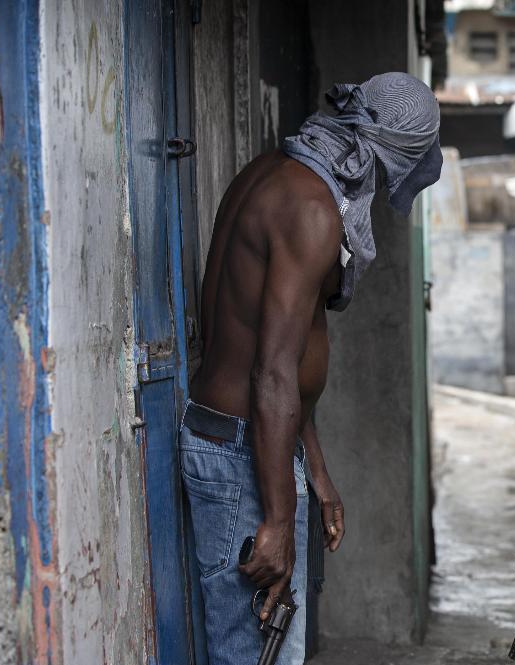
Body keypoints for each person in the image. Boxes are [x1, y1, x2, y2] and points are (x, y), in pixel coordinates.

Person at [181, 72, 442, 665]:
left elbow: (281, 354)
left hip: (247, 440)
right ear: (394, 154)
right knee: (253, 654)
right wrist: (277, 517)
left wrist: (314, 472)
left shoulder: (274, 172)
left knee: (260, 651)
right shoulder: (313, 212)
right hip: (244, 452)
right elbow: (271, 374)